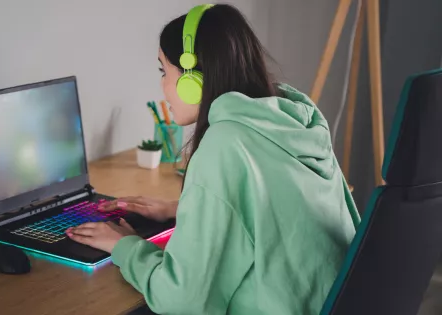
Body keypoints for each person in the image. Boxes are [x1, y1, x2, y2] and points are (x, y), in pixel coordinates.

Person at [66, 4, 360, 314]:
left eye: (164, 71)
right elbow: (275, 211)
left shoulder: (226, 143)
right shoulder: (292, 119)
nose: (163, 86)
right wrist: (184, 210)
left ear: (192, 78)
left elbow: (181, 300)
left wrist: (123, 246)